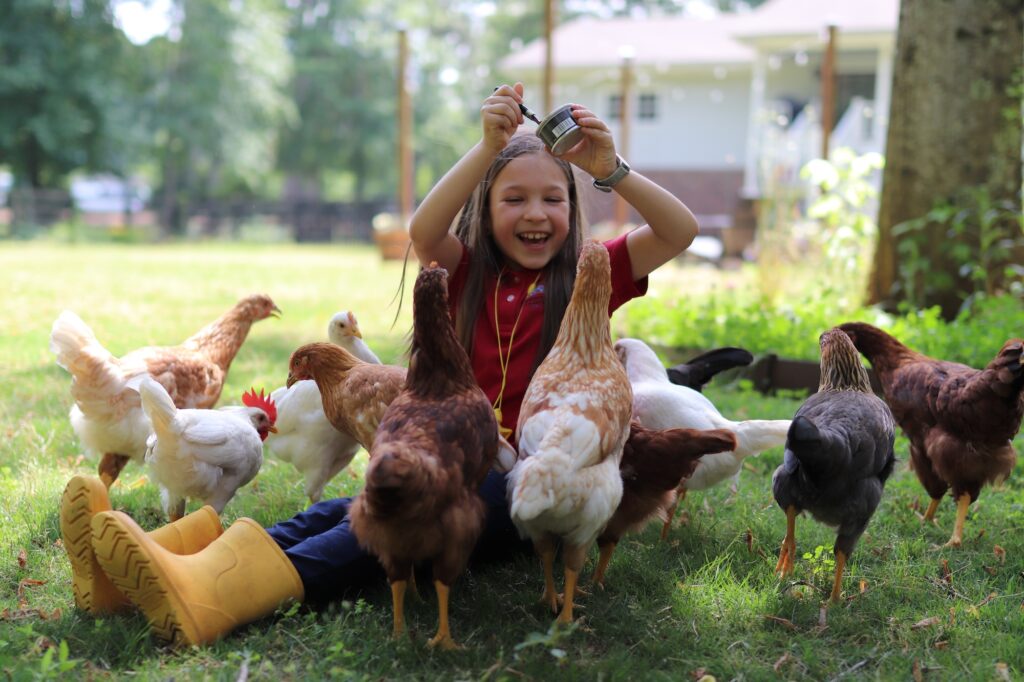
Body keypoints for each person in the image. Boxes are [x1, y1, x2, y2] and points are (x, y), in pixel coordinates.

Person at [62, 82, 698, 648]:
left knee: (389, 528)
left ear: (572, 207)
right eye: (514, 198)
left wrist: (610, 169)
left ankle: (212, 591)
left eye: (553, 199)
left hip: (527, 482)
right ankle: (148, 564)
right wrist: (485, 149)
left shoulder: (590, 277)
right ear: (487, 208)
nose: (536, 213)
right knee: (349, 510)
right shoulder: (469, 271)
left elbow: (678, 231)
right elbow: (425, 229)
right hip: (450, 453)